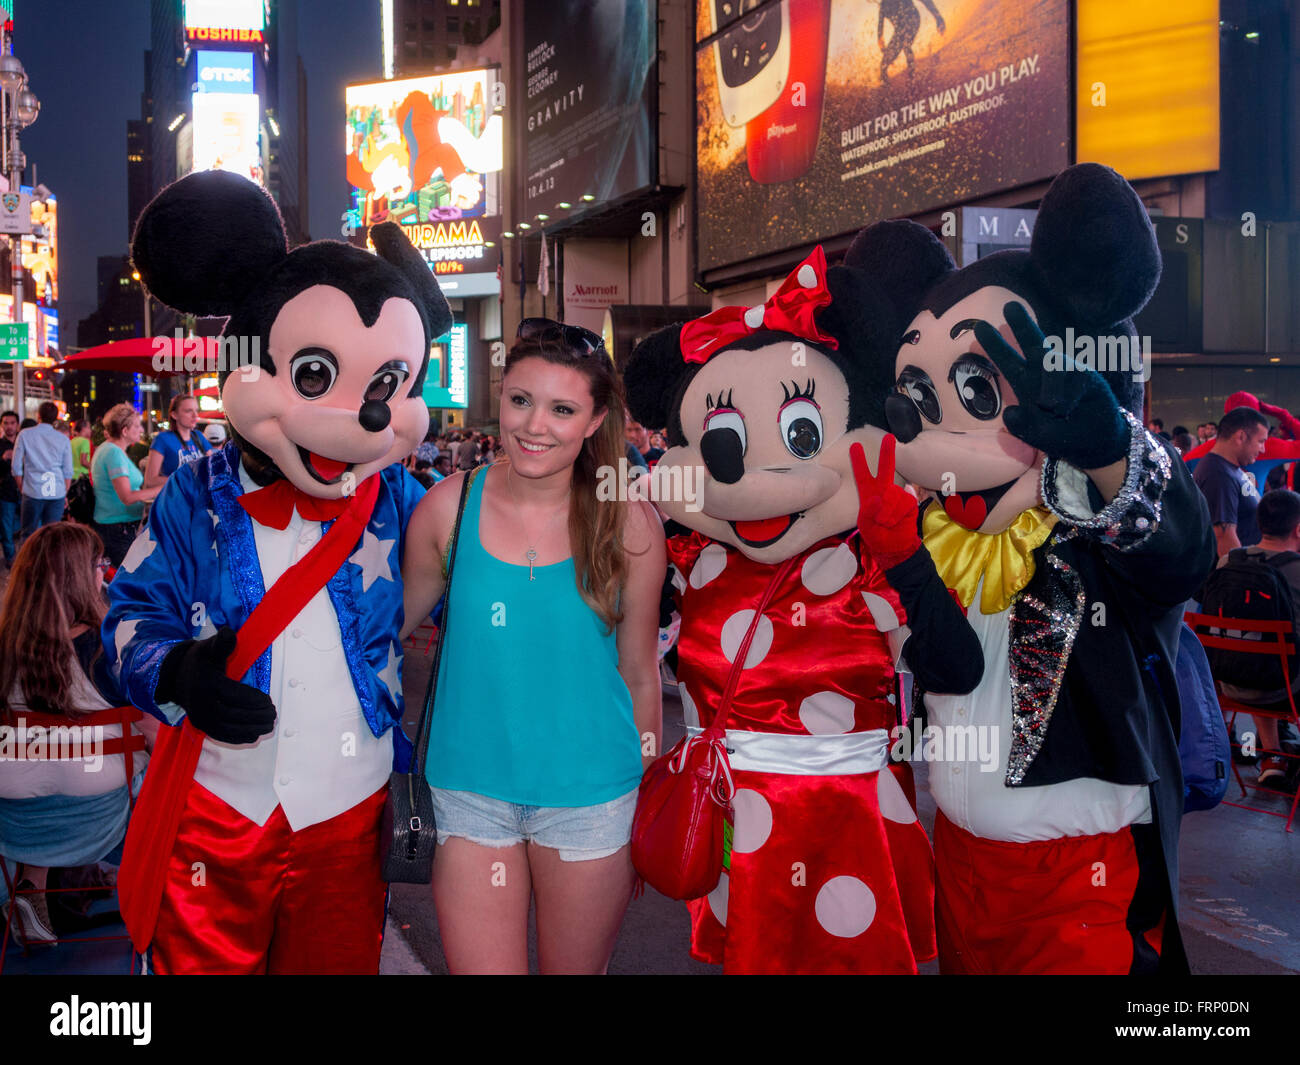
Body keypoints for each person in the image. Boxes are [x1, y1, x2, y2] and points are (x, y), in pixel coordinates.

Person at [401, 317, 665, 975]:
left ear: (594, 418)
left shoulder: (629, 523)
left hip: (594, 800)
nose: (534, 424)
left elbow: (639, 673)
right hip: (469, 795)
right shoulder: (446, 508)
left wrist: (652, 796)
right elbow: (381, 635)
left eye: (562, 408)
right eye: (521, 400)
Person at [0, 523, 157, 942]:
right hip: (100, 821)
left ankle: (29, 888)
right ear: (80, 576)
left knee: (37, 762)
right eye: (98, 564)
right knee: (154, 764)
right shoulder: (112, 648)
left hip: (13, 826)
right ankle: (162, 891)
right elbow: (153, 732)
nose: (102, 573)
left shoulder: (4, 645)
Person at [1212, 489, 1300, 788]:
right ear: (1298, 528)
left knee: (1261, 649)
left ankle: (1273, 755)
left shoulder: (1228, 562)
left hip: (1229, 685)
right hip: (1284, 690)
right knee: (1278, 659)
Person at [1193, 406, 1270, 557]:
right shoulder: (1218, 473)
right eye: (1261, 441)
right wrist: (1244, 576)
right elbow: (1223, 538)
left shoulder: (1229, 468)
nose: (1263, 449)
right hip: (1236, 573)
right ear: (1240, 436)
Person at [90, 404, 160, 566]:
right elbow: (127, 497)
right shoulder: (113, 452)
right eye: (136, 425)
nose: (141, 429)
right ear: (124, 430)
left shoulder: (111, 450)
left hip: (117, 526)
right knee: (125, 581)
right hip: (116, 529)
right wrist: (159, 489)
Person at [12, 401, 74, 543]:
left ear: (38, 415)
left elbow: (15, 466)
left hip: (32, 491)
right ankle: (49, 565)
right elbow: (68, 471)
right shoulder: (63, 439)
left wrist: (22, 487)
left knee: (28, 535)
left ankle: (27, 564)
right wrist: (64, 492)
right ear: (56, 417)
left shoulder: (24, 434)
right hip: (56, 492)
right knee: (52, 537)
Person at [144, 394, 211, 489]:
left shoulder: (199, 436)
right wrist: (184, 479)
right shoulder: (162, 439)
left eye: (196, 410)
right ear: (174, 415)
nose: (195, 415)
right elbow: (150, 480)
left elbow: (212, 467)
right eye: (188, 411)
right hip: (178, 499)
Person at [0, 410, 20, 565]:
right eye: (6, 423)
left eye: (12, 423)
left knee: (31, 526)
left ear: (17, 425)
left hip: (26, 491)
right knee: (6, 528)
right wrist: (3, 458)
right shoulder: (0, 445)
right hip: (6, 492)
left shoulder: (24, 442)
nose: (9, 427)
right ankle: (11, 559)